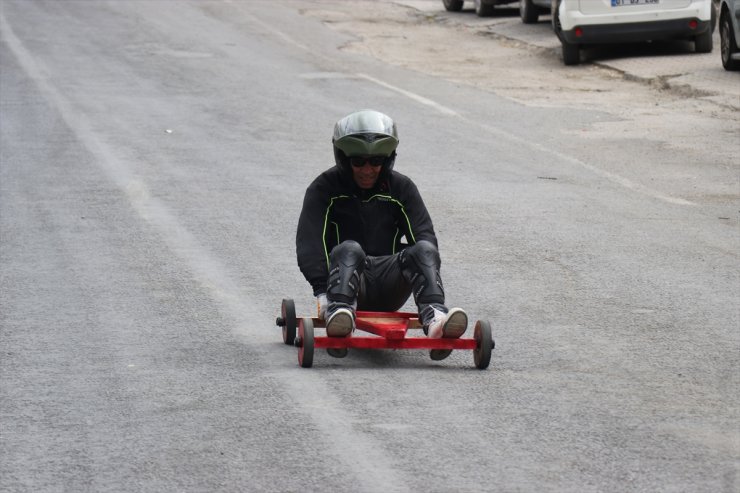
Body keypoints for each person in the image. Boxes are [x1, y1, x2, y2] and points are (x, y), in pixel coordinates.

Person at [296, 109, 467, 360]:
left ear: (387, 161)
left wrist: (425, 268)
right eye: (358, 162)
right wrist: (322, 291)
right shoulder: (324, 189)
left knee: (424, 249)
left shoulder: (402, 189)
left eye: (376, 161)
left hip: (390, 284)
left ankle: (436, 319)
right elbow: (310, 242)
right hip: (345, 284)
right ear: (344, 159)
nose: (368, 170)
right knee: (349, 248)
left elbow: (424, 237)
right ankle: (339, 316)